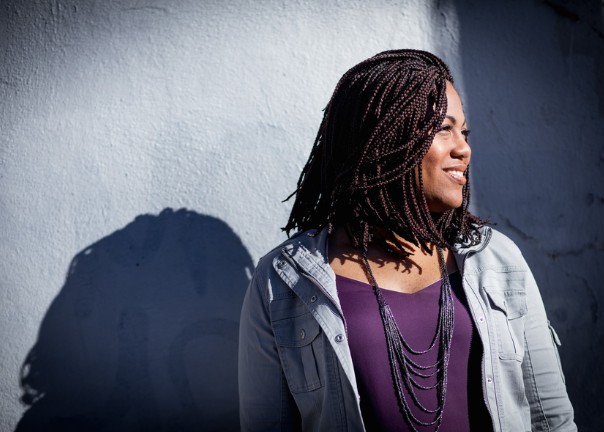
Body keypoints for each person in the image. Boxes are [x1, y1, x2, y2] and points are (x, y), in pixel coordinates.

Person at [238, 49, 576, 431]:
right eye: (444, 129)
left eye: (464, 132)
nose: (463, 148)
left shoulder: (496, 259)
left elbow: (551, 417)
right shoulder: (284, 281)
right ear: (383, 137)